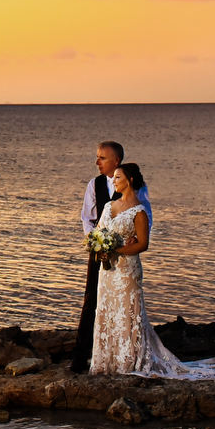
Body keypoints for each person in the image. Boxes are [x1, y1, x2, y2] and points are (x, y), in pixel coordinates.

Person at [89, 164, 215, 379]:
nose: (114, 181)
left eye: (118, 177)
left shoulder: (139, 211)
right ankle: (106, 360)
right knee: (106, 310)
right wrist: (100, 248)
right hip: (108, 270)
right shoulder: (108, 206)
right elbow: (99, 232)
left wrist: (117, 248)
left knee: (127, 313)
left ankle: (129, 361)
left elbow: (143, 244)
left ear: (129, 180)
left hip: (127, 271)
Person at [70, 140, 149, 372]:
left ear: (116, 161)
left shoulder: (137, 186)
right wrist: (96, 242)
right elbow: (87, 217)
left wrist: (135, 237)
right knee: (92, 300)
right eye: (97, 157)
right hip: (99, 252)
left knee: (124, 303)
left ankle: (126, 354)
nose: (97, 162)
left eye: (102, 158)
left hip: (125, 254)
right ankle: (81, 356)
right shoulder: (94, 185)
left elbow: (145, 213)